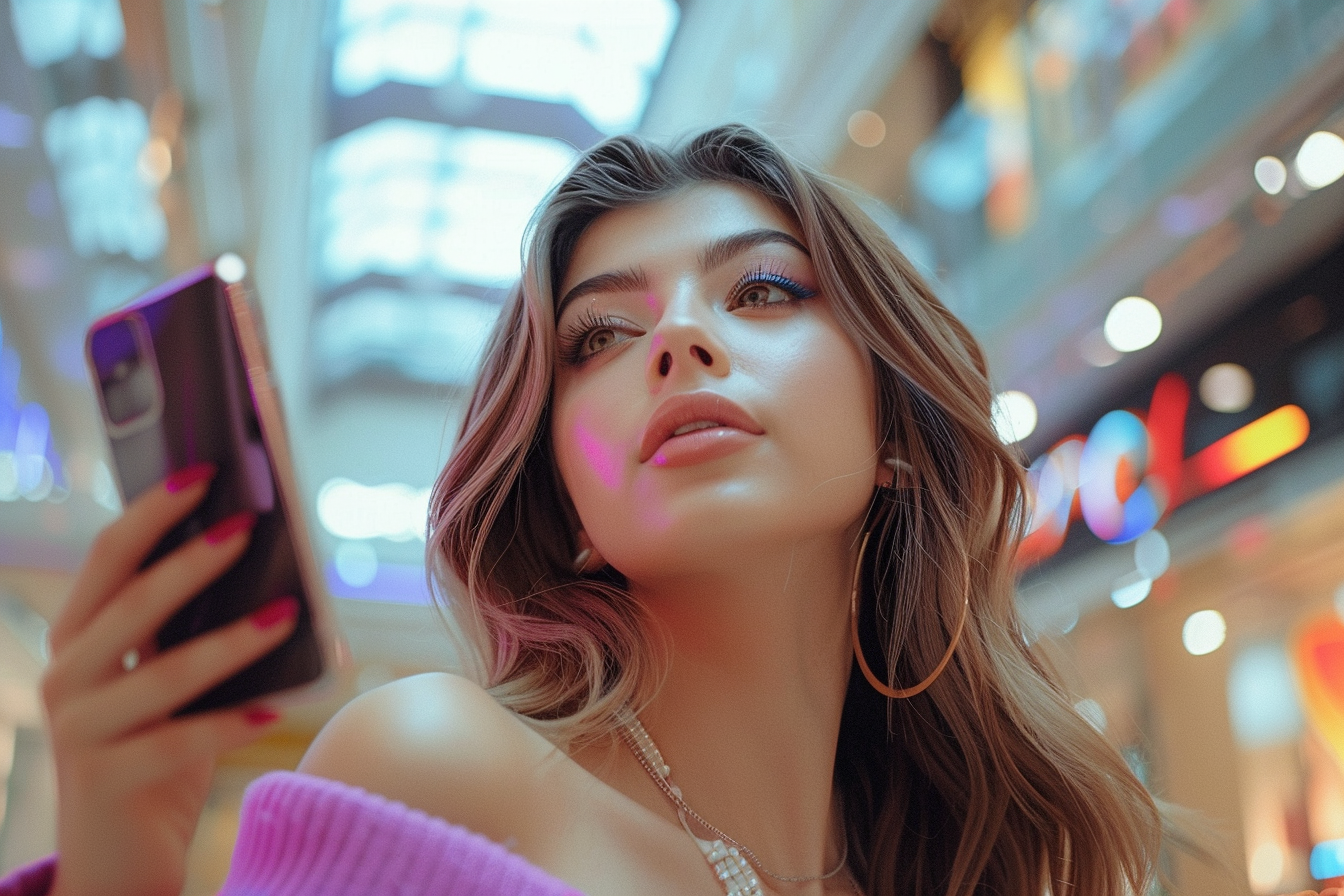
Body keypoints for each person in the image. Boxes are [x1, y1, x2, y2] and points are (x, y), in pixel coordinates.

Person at [5, 125, 1339, 896]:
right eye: (598, 336)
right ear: (567, 491)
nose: (678, 341)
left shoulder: (969, 864)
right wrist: (120, 862)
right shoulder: (442, 770)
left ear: (891, 432)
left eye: (761, 292)